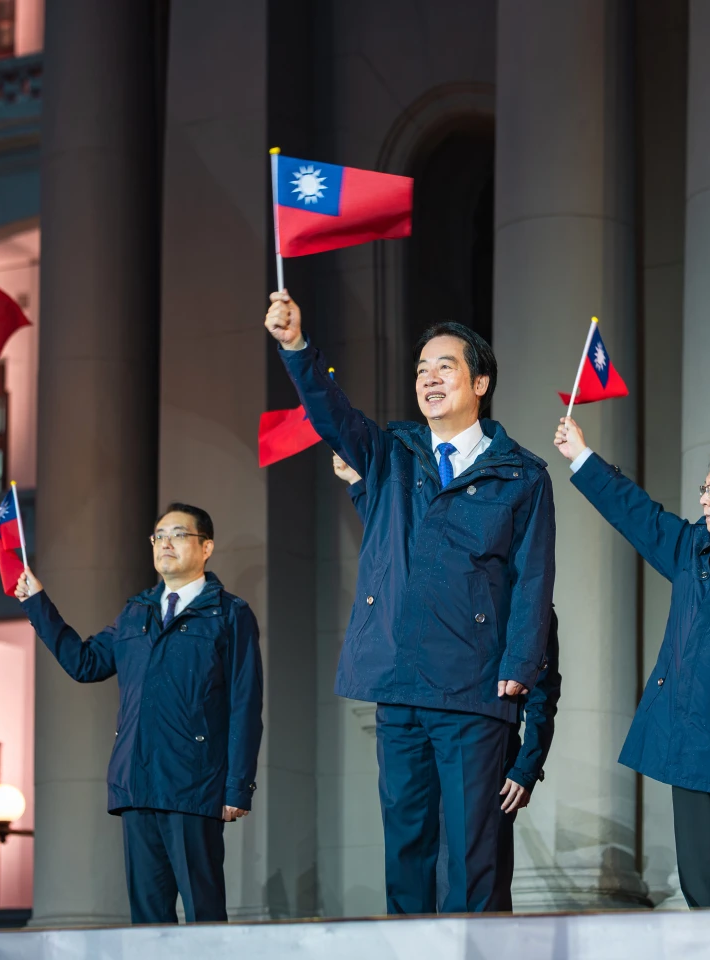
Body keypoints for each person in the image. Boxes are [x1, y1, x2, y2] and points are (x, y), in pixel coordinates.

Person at [265, 292, 555, 915]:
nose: (429, 378)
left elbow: (533, 579)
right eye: (422, 369)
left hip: (474, 686)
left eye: (445, 366)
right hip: (398, 683)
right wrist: (296, 347)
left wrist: (519, 665)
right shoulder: (393, 452)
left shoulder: (522, 475)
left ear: (480, 382)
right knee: (406, 852)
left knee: (471, 859)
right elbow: (332, 415)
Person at [550, 419, 710, 907]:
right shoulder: (695, 549)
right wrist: (582, 456)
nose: (704, 498)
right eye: (703, 489)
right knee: (702, 891)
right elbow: (637, 514)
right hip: (689, 745)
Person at [332, 453, 561, 911]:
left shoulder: (520, 605)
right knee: (413, 862)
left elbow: (542, 690)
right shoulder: (428, 575)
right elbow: (399, 545)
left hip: (483, 744)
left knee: (472, 880)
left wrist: (525, 765)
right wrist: (360, 486)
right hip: (418, 718)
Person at [14, 503, 263, 924]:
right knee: (147, 924)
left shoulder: (229, 614)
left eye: (178, 534)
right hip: (136, 783)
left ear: (206, 548)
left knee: (204, 916)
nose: (165, 543)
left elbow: (245, 702)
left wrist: (236, 787)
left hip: (193, 784)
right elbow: (85, 663)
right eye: (159, 536)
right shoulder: (136, 612)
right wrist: (38, 604)